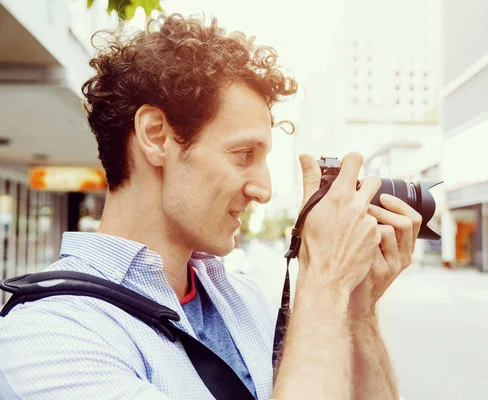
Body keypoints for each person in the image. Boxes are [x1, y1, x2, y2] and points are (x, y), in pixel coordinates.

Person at [0, 13, 422, 400]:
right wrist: (325, 280)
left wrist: (357, 310)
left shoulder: (242, 298)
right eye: (243, 154)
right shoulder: (51, 331)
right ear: (155, 135)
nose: (264, 189)